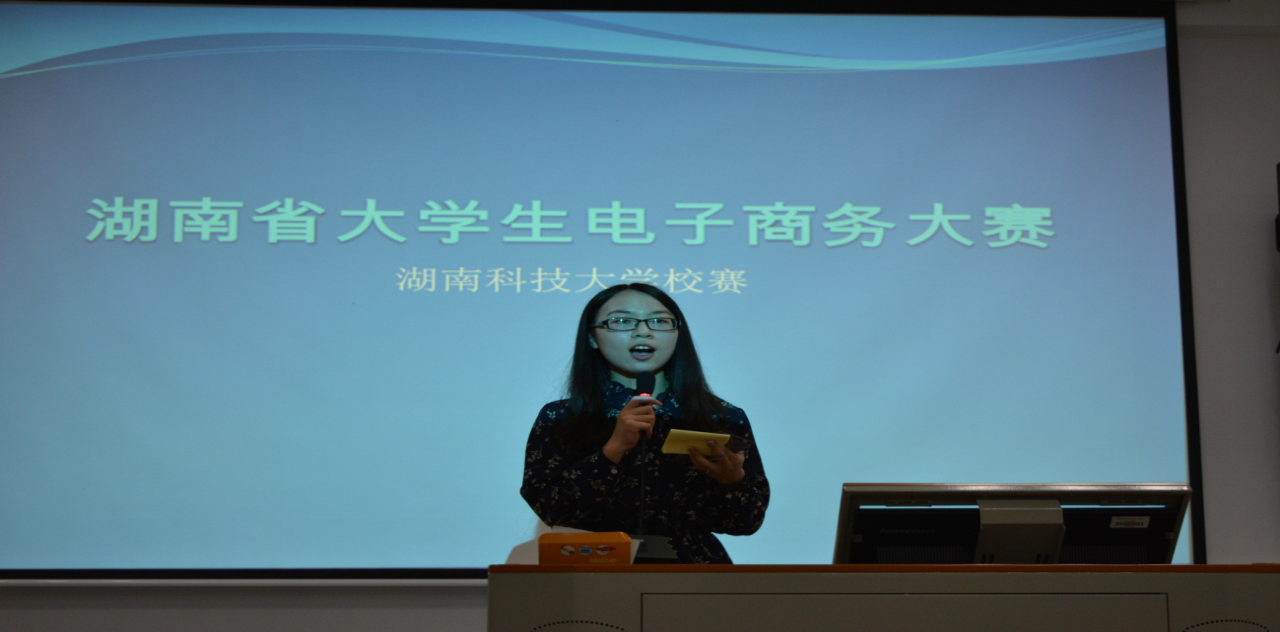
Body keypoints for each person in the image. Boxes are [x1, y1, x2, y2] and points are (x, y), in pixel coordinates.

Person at [520, 283, 769, 563]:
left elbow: (747, 522)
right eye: (621, 321)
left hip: (693, 571)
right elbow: (552, 508)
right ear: (592, 337)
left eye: (659, 321)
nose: (643, 331)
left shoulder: (722, 417)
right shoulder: (562, 417)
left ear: (678, 335)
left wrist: (732, 481)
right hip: (595, 567)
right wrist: (613, 449)